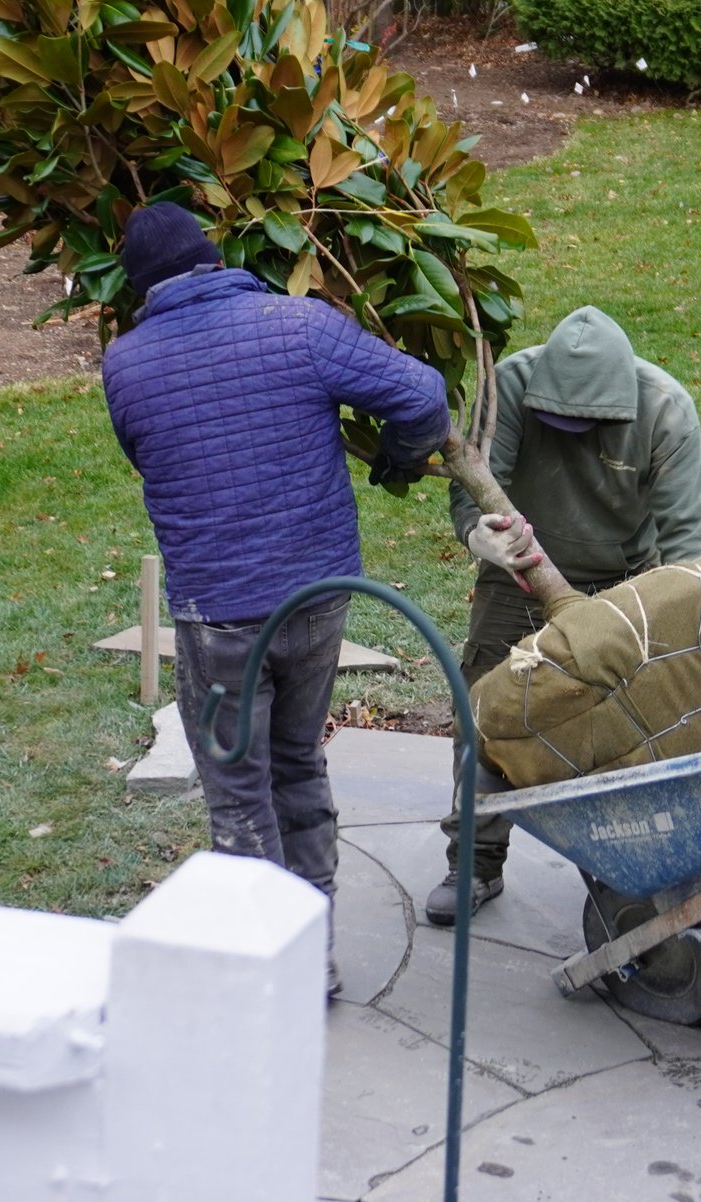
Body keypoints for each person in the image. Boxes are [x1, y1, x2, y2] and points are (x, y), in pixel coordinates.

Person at [101, 201, 448, 983]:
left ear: (142, 288)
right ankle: (314, 950)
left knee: (237, 791)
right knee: (297, 761)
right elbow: (424, 395)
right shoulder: (300, 327)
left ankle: (277, 972)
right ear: (213, 259)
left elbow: (144, 453)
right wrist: (399, 457)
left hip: (219, 617)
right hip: (318, 598)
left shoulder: (126, 364)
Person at [428, 305, 701, 926]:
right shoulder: (511, 386)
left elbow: (692, 546)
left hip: (623, 582)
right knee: (483, 715)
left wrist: (675, 627)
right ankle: (474, 862)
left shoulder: (665, 411)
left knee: (624, 732)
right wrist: (479, 535)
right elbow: (471, 479)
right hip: (517, 572)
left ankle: (626, 872)